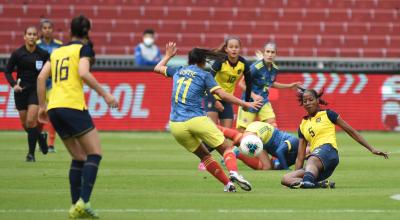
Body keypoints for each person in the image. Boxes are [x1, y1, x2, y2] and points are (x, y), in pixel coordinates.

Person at [37, 15, 118, 218]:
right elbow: (83, 72)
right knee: (95, 153)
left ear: (69, 31)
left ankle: (75, 206)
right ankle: (85, 201)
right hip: (72, 106)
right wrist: (105, 94)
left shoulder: (57, 51)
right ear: (87, 32)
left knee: (78, 157)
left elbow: (41, 77)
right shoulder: (83, 48)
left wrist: (41, 106)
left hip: (54, 107)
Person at [153, 42, 262, 192]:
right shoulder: (204, 75)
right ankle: (234, 173)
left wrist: (167, 56)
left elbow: (157, 68)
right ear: (202, 61)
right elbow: (223, 94)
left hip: (176, 125)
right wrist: (245, 104)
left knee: (205, 156)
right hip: (196, 119)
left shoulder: (178, 71)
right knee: (226, 148)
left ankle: (228, 185)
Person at [281, 89, 389, 189]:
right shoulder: (302, 126)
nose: (308, 103)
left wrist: (371, 149)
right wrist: (296, 181)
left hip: (328, 152)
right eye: (305, 101)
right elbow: (300, 156)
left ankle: (308, 181)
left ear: (317, 100)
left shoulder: (328, 114)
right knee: (286, 179)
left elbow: (351, 131)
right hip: (316, 165)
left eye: (311, 99)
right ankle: (318, 184)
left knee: (311, 159)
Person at [4, 26, 49, 162]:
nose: (31, 36)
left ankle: (31, 154)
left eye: (34, 34)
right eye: (29, 34)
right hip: (21, 91)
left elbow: (50, 70)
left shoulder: (43, 54)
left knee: (31, 121)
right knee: (26, 125)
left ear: (37, 37)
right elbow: (7, 71)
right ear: (24, 36)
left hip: (36, 90)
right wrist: (14, 85)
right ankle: (41, 137)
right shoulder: (18, 54)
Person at [236, 42, 302, 132]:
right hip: (249, 101)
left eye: (272, 52)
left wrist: (289, 86)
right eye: (268, 51)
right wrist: (254, 96)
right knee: (242, 131)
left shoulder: (275, 68)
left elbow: (271, 83)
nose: (270, 54)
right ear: (264, 53)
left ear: (276, 54)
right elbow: (241, 83)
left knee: (273, 128)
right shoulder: (255, 67)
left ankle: (269, 146)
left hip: (263, 101)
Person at [205, 36, 252, 128]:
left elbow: (249, 84)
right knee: (212, 132)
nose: (234, 49)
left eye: (236, 47)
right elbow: (207, 82)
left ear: (240, 49)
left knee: (227, 134)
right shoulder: (220, 61)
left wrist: (246, 102)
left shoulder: (244, 64)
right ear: (226, 49)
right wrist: (215, 101)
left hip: (227, 99)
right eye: (231, 47)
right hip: (212, 97)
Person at [216, 122, 299, 170]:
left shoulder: (297, 153)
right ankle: (236, 152)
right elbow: (279, 152)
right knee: (267, 166)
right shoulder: (295, 141)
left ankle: (235, 151)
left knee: (268, 167)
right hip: (262, 134)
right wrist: (286, 169)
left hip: (260, 133)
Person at [37, 18, 63, 153]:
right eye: (44, 28)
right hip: (40, 83)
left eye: (49, 28)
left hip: (54, 84)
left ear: (52, 30)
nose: (47, 30)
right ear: (41, 30)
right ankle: (39, 140)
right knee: (40, 113)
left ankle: (51, 143)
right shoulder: (36, 45)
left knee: (52, 113)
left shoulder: (59, 45)